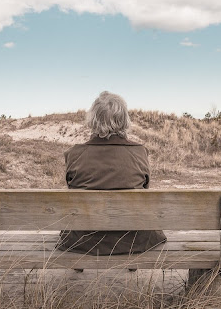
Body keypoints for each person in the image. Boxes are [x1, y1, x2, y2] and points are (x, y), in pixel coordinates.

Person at [56, 91, 167, 255]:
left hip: (84, 241)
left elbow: (72, 188)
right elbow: (145, 189)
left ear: (93, 120)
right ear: (124, 120)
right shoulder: (139, 153)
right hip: (133, 240)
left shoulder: (74, 154)